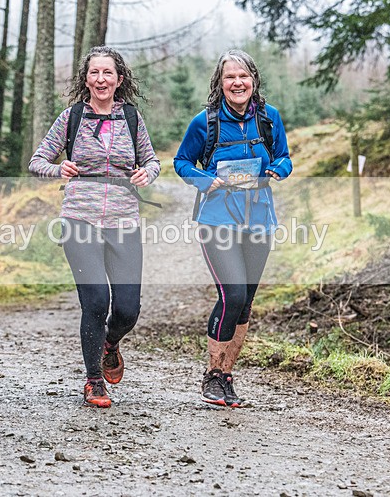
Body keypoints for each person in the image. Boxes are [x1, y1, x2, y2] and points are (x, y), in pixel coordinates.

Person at [29, 46, 160, 408]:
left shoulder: (131, 118)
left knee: (128, 310)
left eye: (108, 73)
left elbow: (152, 160)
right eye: (94, 73)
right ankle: (94, 381)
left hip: (124, 220)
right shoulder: (71, 117)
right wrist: (59, 169)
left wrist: (146, 172)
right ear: (85, 79)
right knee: (96, 301)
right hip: (79, 219)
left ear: (119, 79)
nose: (101, 79)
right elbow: (37, 160)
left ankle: (110, 343)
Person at [173, 49, 292, 407]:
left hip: (259, 219)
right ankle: (211, 374)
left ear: (253, 80)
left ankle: (226, 377)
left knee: (245, 304)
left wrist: (280, 169)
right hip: (217, 219)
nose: (237, 83)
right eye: (230, 77)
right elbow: (181, 162)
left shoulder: (269, 119)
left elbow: (284, 157)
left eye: (243, 76)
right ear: (220, 83)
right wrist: (204, 179)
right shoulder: (205, 122)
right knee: (232, 295)